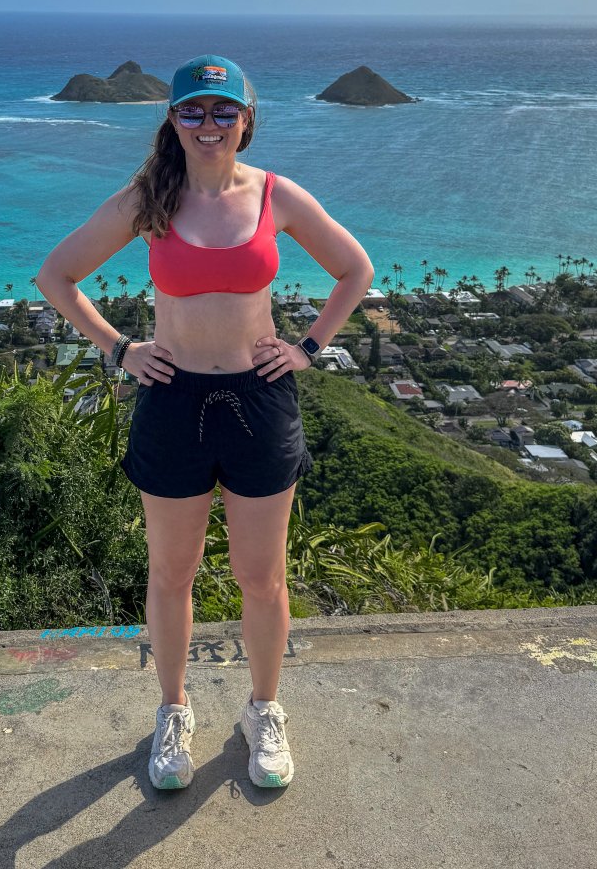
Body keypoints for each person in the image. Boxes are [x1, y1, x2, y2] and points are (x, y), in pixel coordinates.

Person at [36, 54, 373, 790]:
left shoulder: (274, 195)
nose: (209, 124)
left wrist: (308, 349)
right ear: (173, 119)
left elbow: (357, 269)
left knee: (261, 576)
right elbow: (56, 274)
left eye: (224, 111)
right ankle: (173, 711)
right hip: (173, 400)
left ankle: (264, 709)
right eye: (193, 110)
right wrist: (120, 349)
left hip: (259, 400)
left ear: (247, 120)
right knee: (172, 573)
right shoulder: (149, 198)